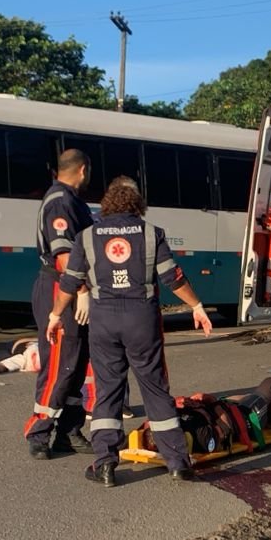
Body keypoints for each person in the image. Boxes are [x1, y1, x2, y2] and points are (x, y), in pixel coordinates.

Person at [46, 176, 213, 487]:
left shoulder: (86, 236)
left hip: (104, 321)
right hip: (142, 321)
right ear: (138, 204)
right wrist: (197, 306)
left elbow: (69, 282)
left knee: (108, 390)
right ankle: (177, 462)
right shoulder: (151, 234)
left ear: (108, 204)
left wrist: (56, 315)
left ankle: (105, 464)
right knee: (154, 388)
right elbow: (172, 277)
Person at [21, 149, 97, 459]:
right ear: (82, 170)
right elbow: (64, 255)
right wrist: (79, 290)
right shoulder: (61, 201)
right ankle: (39, 432)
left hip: (70, 287)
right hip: (60, 288)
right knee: (60, 364)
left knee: (77, 364)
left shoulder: (71, 200)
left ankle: (69, 430)